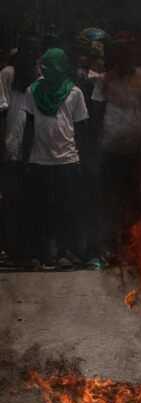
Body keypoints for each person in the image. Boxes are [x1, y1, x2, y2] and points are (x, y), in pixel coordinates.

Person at [21, 48, 89, 270]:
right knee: (38, 210)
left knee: (65, 210)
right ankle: (36, 256)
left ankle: (63, 255)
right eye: (45, 67)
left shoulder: (74, 93)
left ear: (61, 68)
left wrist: (83, 160)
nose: (46, 71)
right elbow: (29, 127)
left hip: (67, 160)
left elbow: (80, 129)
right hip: (39, 160)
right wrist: (26, 159)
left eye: (51, 66)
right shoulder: (32, 91)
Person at [91, 36, 141, 260]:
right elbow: (96, 115)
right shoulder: (104, 80)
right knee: (109, 201)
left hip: (136, 152)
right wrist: (93, 151)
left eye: (132, 54)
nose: (128, 58)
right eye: (124, 54)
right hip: (109, 150)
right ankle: (107, 246)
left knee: (134, 202)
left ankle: (130, 247)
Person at [0, 30, 40, 266]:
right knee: (11, 202)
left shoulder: (39, 76)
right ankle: (10, 250)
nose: (32, 52)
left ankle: (27, 251)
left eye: (36, 49)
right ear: (20, 49)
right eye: (28, 48)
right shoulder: (7, 74)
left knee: (30, 203)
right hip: (11, 149)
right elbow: (1, 112)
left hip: (35, 153)